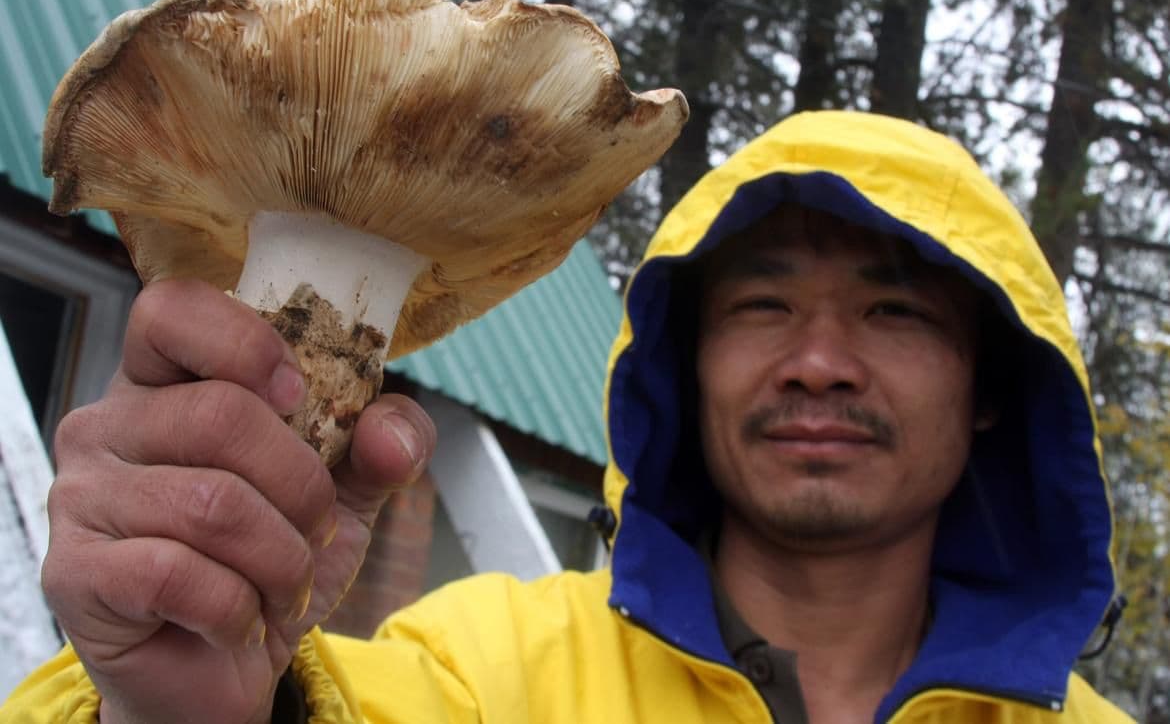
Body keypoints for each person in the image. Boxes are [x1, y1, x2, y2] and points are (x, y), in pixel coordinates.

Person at [2, 110, 1133, 723]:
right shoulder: (478, 676)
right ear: (683, 365)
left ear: (992, 388)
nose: (820, 363)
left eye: (892, 311)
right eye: (764, 304)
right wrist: (177, 720)